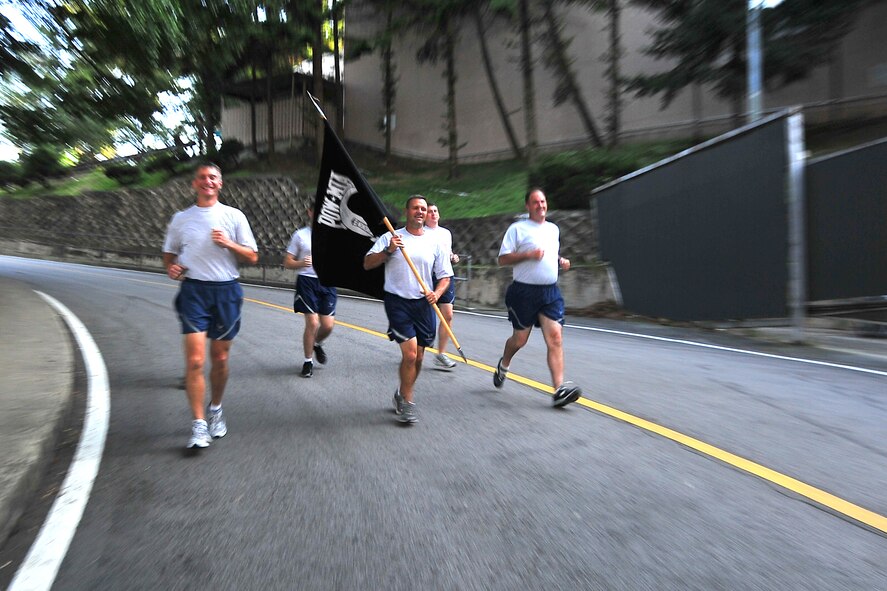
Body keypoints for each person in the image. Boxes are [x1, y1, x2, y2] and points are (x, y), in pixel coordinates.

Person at [162, 162, 259, 449]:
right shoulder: (181, 218)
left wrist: (229, 244)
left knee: (219, 358)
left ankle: (216, 408)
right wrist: (172, 268)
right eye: (202, 177)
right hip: (193, 291)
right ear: (194, 184)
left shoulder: (234, 216)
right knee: (195, 361)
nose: (207, 181)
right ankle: (198, 424)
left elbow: (252, 256)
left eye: (212, 177)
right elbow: (169, 254)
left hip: (226, 291)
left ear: (220, 184)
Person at [364, 195, 454, 424]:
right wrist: (388, 251)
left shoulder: (435, 243)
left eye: (423, 208)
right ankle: (408, 402)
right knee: (411, 354)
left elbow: (445, 277)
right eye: (415, 208)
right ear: (407, 212)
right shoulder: (391, 237)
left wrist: (438, 293)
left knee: (420, 357)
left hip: (424, 304)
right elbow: (367, 263)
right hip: (398, 302)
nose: (420, 212)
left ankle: (401, 393)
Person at [493, 187, 582, 408]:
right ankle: (503, 365)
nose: (540, 205)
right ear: (528, 206)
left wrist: (561, 261)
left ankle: (559, 389)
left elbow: (550, 253)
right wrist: (527, 255)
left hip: (550, 292)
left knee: (556, 338)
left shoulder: (553, 229)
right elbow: (502, 259)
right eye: (535, 202)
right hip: (524, 293)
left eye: (543, 201)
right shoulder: (517, 229)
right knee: (520, 340)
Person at [283, 207, 337, 378]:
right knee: (312, 323)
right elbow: (287, 262)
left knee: (327, 326)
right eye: (316, 210)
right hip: (307, 282)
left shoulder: (333, 234)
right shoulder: (300, 235)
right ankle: (308, 362)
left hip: (327, 282)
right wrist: (301, 263)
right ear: (309, 212)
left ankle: (317, 343)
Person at [424, 203, 460, 369]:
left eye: (435, 211)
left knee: (448, 315)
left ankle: (441, 353)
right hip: (427, 276)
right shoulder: (421, 233)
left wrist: (452, 257)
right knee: (425, 316)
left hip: (445, 276)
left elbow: (447, 252)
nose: (433, 214)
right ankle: (416, 348)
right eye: (430, 211)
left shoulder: (446, 233)